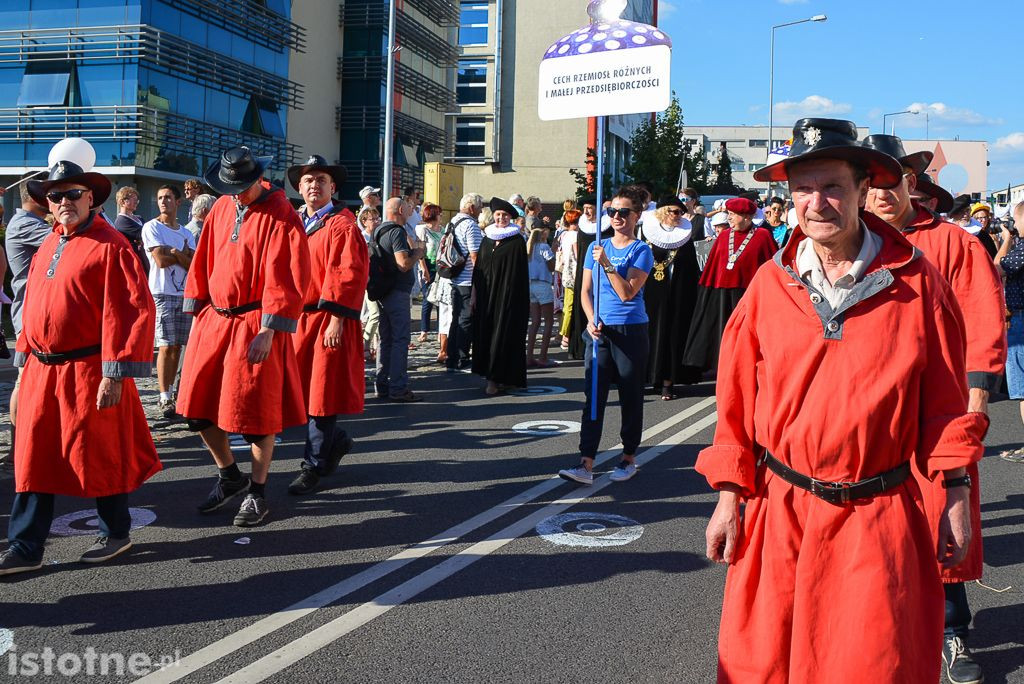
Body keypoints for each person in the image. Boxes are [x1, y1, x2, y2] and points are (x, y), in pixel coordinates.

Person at [700, 117, 983, 683]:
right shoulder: (769, 285)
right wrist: (730, 496)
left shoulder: (918, 282)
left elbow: (946, 407)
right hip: (782, 516)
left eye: (831, 187)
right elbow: (734, 404)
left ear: (861, 189)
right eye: (802, 189)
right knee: (765, 667)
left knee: (874, 665)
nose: (816, 203)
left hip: (877, 518)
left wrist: (954, 497)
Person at [862, 134, 1006, 683]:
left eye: (889, 181)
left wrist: (972, 411)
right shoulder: (850, 245)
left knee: (941, 522)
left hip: (938, 415)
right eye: (870, 184)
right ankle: (883, 633)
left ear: (911, 182)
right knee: (873, 527)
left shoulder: (952, 244)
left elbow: (983, 327)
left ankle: (952, 634)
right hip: (871, 415)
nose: (880, 194)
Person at [0, 159, 159, 575]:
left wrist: (115, 372)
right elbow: (30, 308)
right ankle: (25, 545)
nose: (64, 201)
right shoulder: (50, 243)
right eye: (56, 195)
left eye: (73, 193)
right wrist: (21, 373)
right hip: (40, 369)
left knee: (100, 452)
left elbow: (132, 311)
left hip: (89, 369)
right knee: (33, 454)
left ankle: (116, 532)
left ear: (91, 198)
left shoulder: (111, 245)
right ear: (47, 204)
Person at [176, 147, 311, 527]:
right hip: (214, 321)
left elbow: (288, 273)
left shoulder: (280, 212)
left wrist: (269, 329)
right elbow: (203, 258)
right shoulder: (221, 207)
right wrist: (196, 310)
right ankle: (229, 476)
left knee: (256, 415)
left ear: (257, 179)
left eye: (242, 186)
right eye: (230, 186)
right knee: (198, 410)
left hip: (255, 323)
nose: (236, 193)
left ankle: (257, 492)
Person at [558, 185, 653, 486]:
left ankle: (629, 457)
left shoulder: (642, 251)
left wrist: (608, 265)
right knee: (594, 397)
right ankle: (586, 461)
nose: (617, 217)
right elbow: (585, 291)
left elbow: (627, 293)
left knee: (630, 396)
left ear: (637, 216)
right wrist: (589, 320)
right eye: (612, 212)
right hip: (599, 331)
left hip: (630, 330)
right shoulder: (595, 246)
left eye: (624, 212)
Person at [285, 155, 366, 495]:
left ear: (333, 187)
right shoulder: (294, 222)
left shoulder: (341, 224)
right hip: (297, 319)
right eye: (308, 180)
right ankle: (336, 441)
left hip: (327, 318)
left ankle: (313, 465)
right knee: (301, 392)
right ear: (300, 188)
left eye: (321, 179)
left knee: (321, 393)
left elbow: (349, 274)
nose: (314, 185)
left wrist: (336, 318)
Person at [682, 197, 777, 372]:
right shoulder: (724, 236)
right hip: (722, 295)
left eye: (733, 215)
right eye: (729, 214)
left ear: (747, 216)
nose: (729, 219)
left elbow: (771, 267)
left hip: (749, 296)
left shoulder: (762, 236)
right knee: (722, 334)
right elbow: (713, 266)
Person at [4, 175, 51, 463]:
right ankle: (16, 450)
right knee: (24, 380)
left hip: (38, 313)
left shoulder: (30, 223)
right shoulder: (25, 224)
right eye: (50, 195)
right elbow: (63, 241)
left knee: (34, 382)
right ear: (34, 197)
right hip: (29, 314)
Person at [142, 184, 196, 419]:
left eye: (168, 197)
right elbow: (160, 260)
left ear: (178, 202)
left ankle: (175, 392)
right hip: (162, 293)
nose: (163, 201)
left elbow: (192, 265)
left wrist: (174, 252)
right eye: (160, 198)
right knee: (166, 345)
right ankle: (164, 396)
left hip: (184, 294)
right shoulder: (151, 227)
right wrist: (177, 254)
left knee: (178, 347)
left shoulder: (187, 233)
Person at [640, 196, 703, 399]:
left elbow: (691, 267)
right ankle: (651, 376)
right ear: (663, 212)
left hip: (677, 292)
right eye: (674, 212)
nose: (678, 216)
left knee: (672, 335)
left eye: (680, 212)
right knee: (649, 332)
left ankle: (668, 381)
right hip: (651, 291)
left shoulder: (684, 236)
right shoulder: (646, 233)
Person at [472, 197, 530, 395]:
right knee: (487, 334)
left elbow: (519, 274)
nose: (501, 218)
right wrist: (473, 294)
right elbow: (478, 268)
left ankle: (501, 378)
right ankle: (491, 377)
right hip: (486, 297)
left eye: (505, 215)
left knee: (505, 335)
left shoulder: (516, 241)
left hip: (507, 298)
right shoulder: (487, 239)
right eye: (498, 214)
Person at [373, 197, 425, 402]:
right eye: (408, 207)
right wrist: (418, 253)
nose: (411, 209)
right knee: (400, 339)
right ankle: (398, 387)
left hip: (382, 291)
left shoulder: (378, 231)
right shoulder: (396, 232)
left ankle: (382, 384)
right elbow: (403, 263)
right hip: (397, 290)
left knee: (385, 339)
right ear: (401, 210)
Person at [569, 195, 614, 359]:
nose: (587, 211)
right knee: (583, 301)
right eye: (585, 208)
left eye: (590, 208)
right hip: (585, 270)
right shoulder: (582, 225)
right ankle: (580, 346)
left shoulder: (607, 226)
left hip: (603, 270)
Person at [998, 202, 1024, 465]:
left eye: (1016, 222)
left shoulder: (1021, 251)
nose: (1014, 227)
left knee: (1023, 388)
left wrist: (1006, 239)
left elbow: (997, 267)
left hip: (1021, 319)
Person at [446, 193, 484, 373]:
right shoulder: (471, 225)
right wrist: (482, 278)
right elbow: (475, 255)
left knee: (456, 319)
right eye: (480, 207)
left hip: (455, 277)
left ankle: (451, 357)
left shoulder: (452, 222)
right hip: (468, 279)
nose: (481, 210)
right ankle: (462, 358)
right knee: (466, 320)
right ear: (472, 208)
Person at [526, 224, 556, 368]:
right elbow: (551, 266)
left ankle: (529, 356)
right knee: (548, 321)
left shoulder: (528, 249)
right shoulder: (544, 247)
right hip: (543, 284)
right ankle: (543, 356)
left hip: (531, 284)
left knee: (535, 321)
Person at [416, 202, 444, 344]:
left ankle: (441, 331)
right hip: (428, 267)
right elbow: (420, 252)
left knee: (440, 301)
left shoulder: (443, 230)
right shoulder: (423, 230)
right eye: (439, 213)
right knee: (428, 300)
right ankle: (424, 330)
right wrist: (425, 270)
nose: (441, 216)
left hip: (441, 269)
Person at [358, 206, 382, 363]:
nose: (377, 221)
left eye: (378, 218)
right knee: (375, 314)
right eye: (373, 219)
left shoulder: (378, 236)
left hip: (379, 280)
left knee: (379, 315)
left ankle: (376, 347)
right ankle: (365, 345)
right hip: (367, 280)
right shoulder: (362, 237)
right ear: (364, 222)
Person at [557, 209, 581, 350]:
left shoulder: (564, 235)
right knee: (570, 306)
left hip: (566, 272)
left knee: (567, 304)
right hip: (574, 274)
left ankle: (563, 333)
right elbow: (578, 256)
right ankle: (565, 335)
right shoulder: (575, 236)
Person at [113, 185, 149, 275]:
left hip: (145, 259)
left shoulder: (139, 218)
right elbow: (144, 235)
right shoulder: (121, 221)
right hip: (133, 263)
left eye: (137, 199)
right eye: (133, 199)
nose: (136, 202)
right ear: (122, 202)